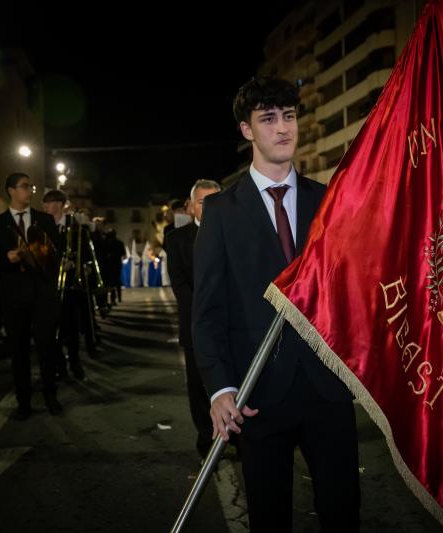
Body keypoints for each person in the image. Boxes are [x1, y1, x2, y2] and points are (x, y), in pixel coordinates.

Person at [193, 76, 360, 532]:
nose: (283, 128)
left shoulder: (328, 202)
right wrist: (220, 389)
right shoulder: (221, 212)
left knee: (344, 514)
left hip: (328, 390)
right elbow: (207, 314)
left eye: (289, 116)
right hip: (258, 393)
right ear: (247, 130)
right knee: (269, 519)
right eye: (268, 119)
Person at [0, 173, 63, 420]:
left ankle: (51, 395)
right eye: (24, 186)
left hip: (42, 293)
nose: (30, 190)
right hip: (14, 295)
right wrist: (7, 258)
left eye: (31, 186)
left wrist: (43, 255)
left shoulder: (44, 220)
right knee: (18, 351)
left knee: (47, 347)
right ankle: (24, 401)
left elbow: (57, 254)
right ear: (11, 190)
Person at [167, 179, 221, 458]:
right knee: (199, 386)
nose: (209, 207)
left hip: (231, 325)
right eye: (202, 202)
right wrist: (205, 311)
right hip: (195, 324)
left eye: (214, 201)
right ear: (190, 207)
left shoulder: (236, 232)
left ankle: (236, 435)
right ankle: (206, 438)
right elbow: (180, 285)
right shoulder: (176, 239)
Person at [42, 190, 87, 380]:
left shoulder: (74, 226)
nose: (46, 207)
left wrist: (74, 262)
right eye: (45, 203)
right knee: (53, 328)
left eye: (49, 203)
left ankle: (75, 362)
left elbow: (84, 251)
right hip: (49, 284)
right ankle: (60, 365)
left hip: (70, 285)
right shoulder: (43, 226)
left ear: (59, 204)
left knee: (71, 327)